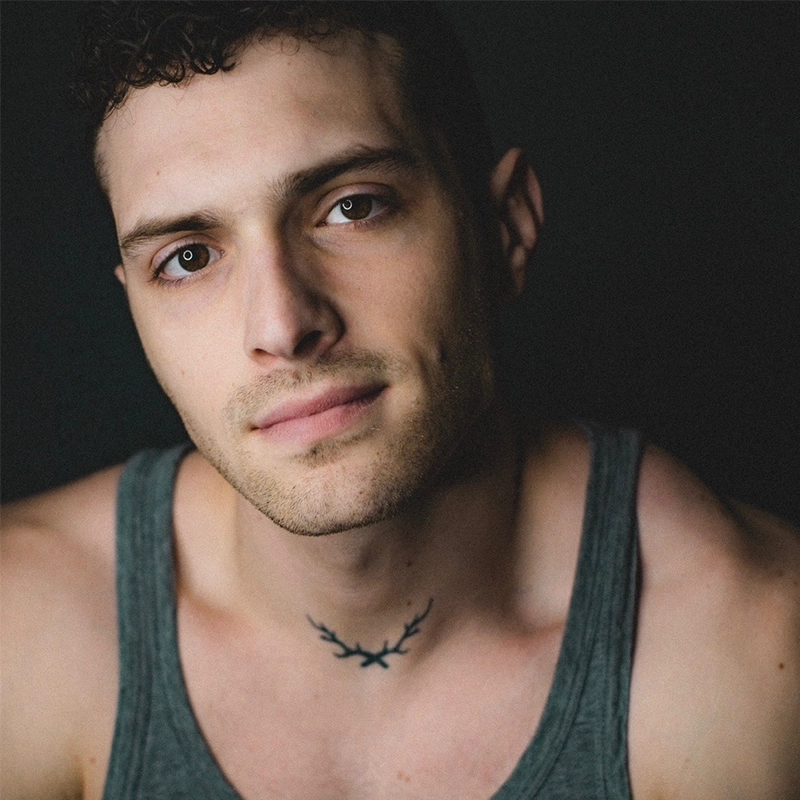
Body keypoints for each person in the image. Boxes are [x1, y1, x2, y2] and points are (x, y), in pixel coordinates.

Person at [1, 2, 798, 798]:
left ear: (506, 227)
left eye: (353, 207)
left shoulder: (745, 651)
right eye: (188, 258)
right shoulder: (27, 631)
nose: (282, 325)